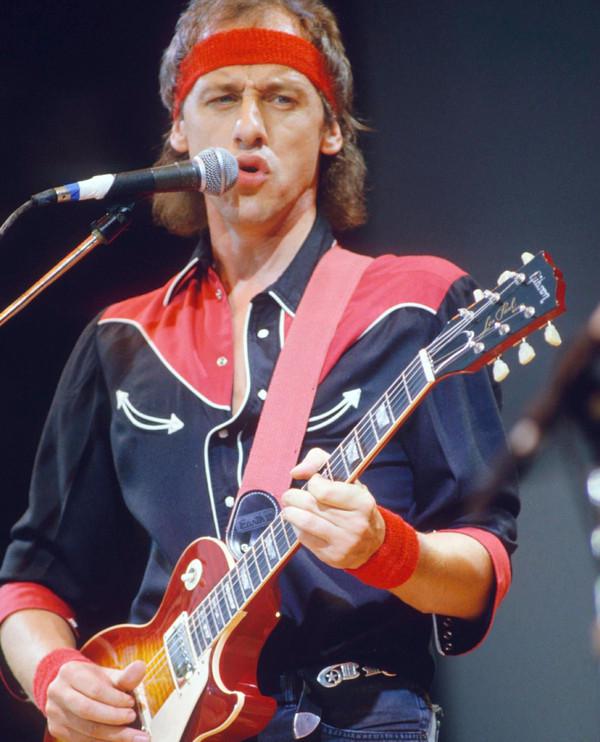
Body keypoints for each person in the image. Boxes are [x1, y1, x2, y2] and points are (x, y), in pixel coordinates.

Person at [0, 1, 518, 740]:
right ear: (180, 131)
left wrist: (388, 550)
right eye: (221, 98)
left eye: (281, 98)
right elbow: (31, 581)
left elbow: (482, 566)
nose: (249, 127)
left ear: (332, 130)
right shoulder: (120, 340)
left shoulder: (416, 302)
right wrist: (54, 677)